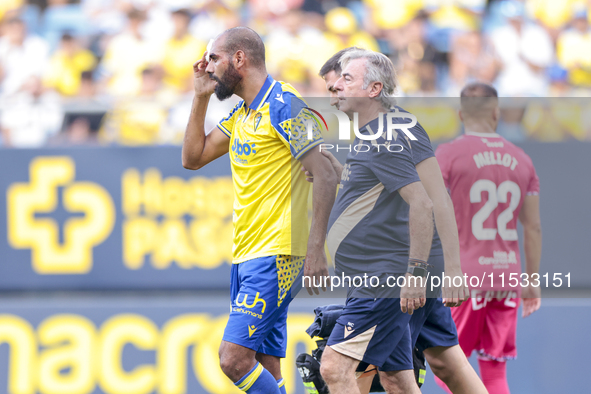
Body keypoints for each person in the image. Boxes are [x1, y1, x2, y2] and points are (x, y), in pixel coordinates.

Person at [314, 47, 487, 394]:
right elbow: (420, 194)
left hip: (390, 271)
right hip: (403, 266)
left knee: (337, 367)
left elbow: (427, 202)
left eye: (343, 79)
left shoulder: (382, 134)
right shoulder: (396, 124)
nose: (334, 90)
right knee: (412, 370)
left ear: (373, 88)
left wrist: (421, 271)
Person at [181, 27, 338, 394]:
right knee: (266, 365)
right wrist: (200, 98)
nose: (207, 66)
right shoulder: (243, 112)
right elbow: (192, 158)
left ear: (240, 58)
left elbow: (326, 173)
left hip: (277, 253)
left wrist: (315, 250)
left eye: (214, 58)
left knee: (232, 359)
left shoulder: (284, 104)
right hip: (247, 254)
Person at [434, 82, 542, 394]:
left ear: (460, 114)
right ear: (496, 113)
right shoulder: (522, 159)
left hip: (465, 276)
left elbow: (429, 207)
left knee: (447, 368)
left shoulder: (449, 154)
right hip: (507, 275)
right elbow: (532, 227)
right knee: (494, 371)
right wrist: (531, 280)